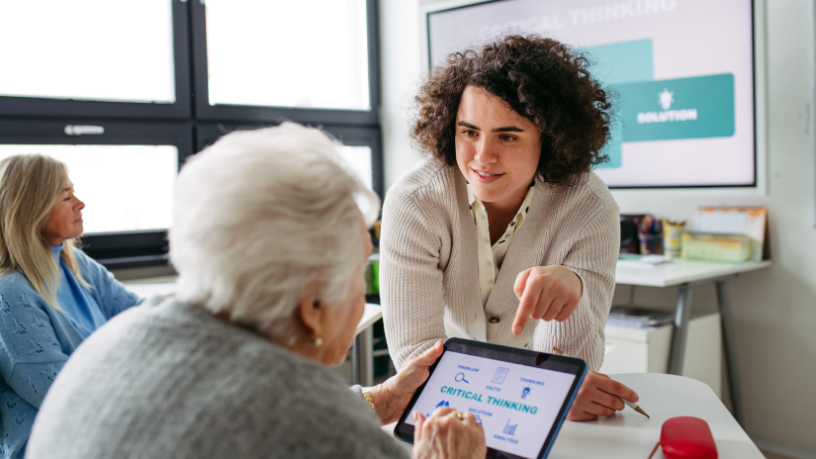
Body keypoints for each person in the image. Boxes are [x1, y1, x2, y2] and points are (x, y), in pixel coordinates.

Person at [26, 124, 486, 459]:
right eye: (356, 271)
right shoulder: (327, 432)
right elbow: (284, 418)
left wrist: (380, 400)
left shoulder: (118, 341)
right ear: (312, 305)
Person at [380, 35, 638, 421]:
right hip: (444, 408)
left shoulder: (589, 207)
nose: (483, 156)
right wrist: (543, 390)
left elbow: (571, 367)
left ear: (549, 139)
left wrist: (573, 292)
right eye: (469, 132)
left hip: (513, 411)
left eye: (507, 136)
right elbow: (416, 360)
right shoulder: (415, 201)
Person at [0, 154, 143, 459]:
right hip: (55, 444)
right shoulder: (10, 294)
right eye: (66, 196)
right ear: (32, 209)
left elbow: (140, 313)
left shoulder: (75, 263)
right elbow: (65, 396)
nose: (80, 204)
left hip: (104, 418)